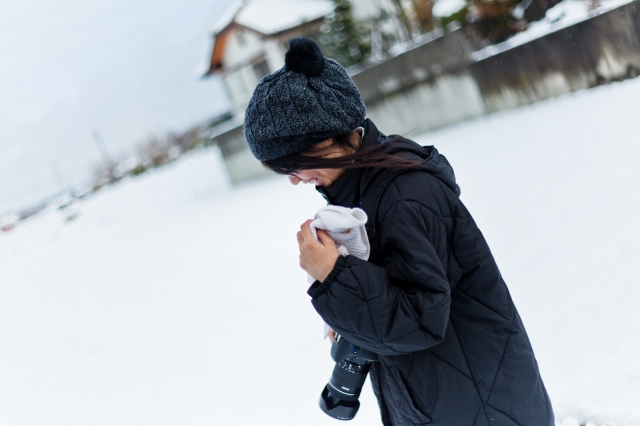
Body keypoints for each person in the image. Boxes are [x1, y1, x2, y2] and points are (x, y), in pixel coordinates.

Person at [243, 37, 554, 426]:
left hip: (481, 407)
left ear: (325, 138)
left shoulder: (404, 196)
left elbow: (420, 322)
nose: (295, 181)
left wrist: (334, 277)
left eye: (292, 166)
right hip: (449, 401)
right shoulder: (363, 198)